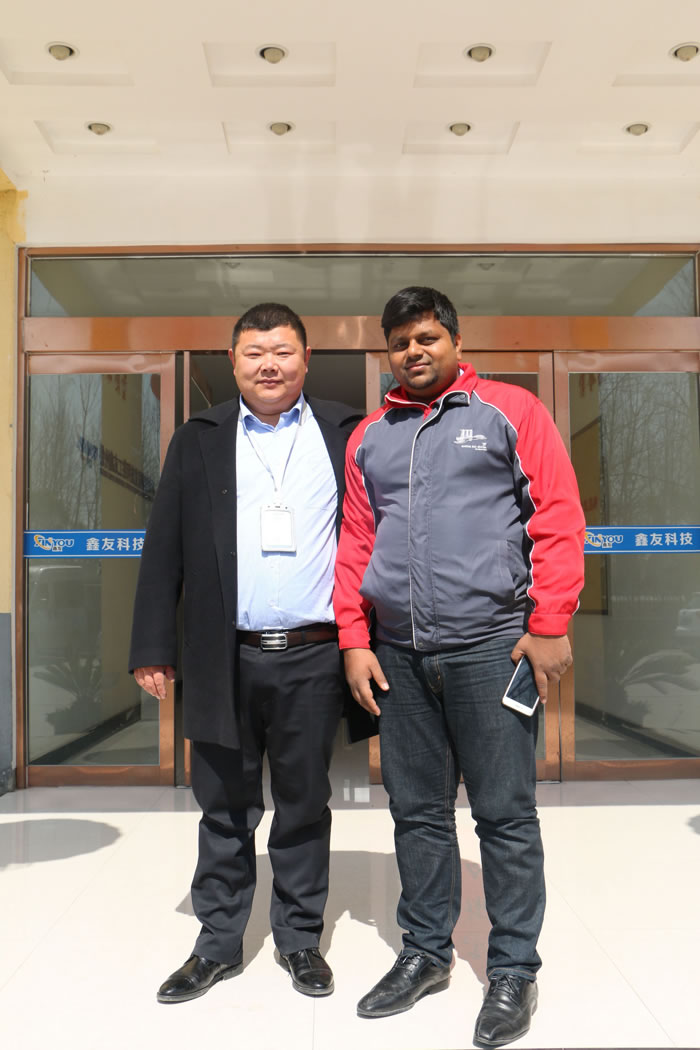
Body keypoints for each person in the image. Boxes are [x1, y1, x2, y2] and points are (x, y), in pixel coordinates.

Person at [333, 286, 585, 1048]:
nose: (414, 351)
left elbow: (557, 516)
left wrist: (549, 622)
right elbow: (356, 542)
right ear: (387, 352)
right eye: (400, 342)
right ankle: (425, 952)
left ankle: (512, 969)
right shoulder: (370, 437)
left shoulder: (510, 412)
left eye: (427, 337)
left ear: (455, 340)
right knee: (417, 813)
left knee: (505, 816)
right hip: (399, 654)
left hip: (490, 649)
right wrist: (354, 637)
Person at [129, 302, 365, 1005]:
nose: (269, 365)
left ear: (306, 358)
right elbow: (164, 546)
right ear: (232, 362)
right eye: (254, 352)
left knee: (304, 802)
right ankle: (217, 943)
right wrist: (152, 646)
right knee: (224, 805)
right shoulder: (198, 438)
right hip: (221, 655)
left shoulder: (345, 431)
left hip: (314, 655)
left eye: (282, 351)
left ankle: (299, 938)